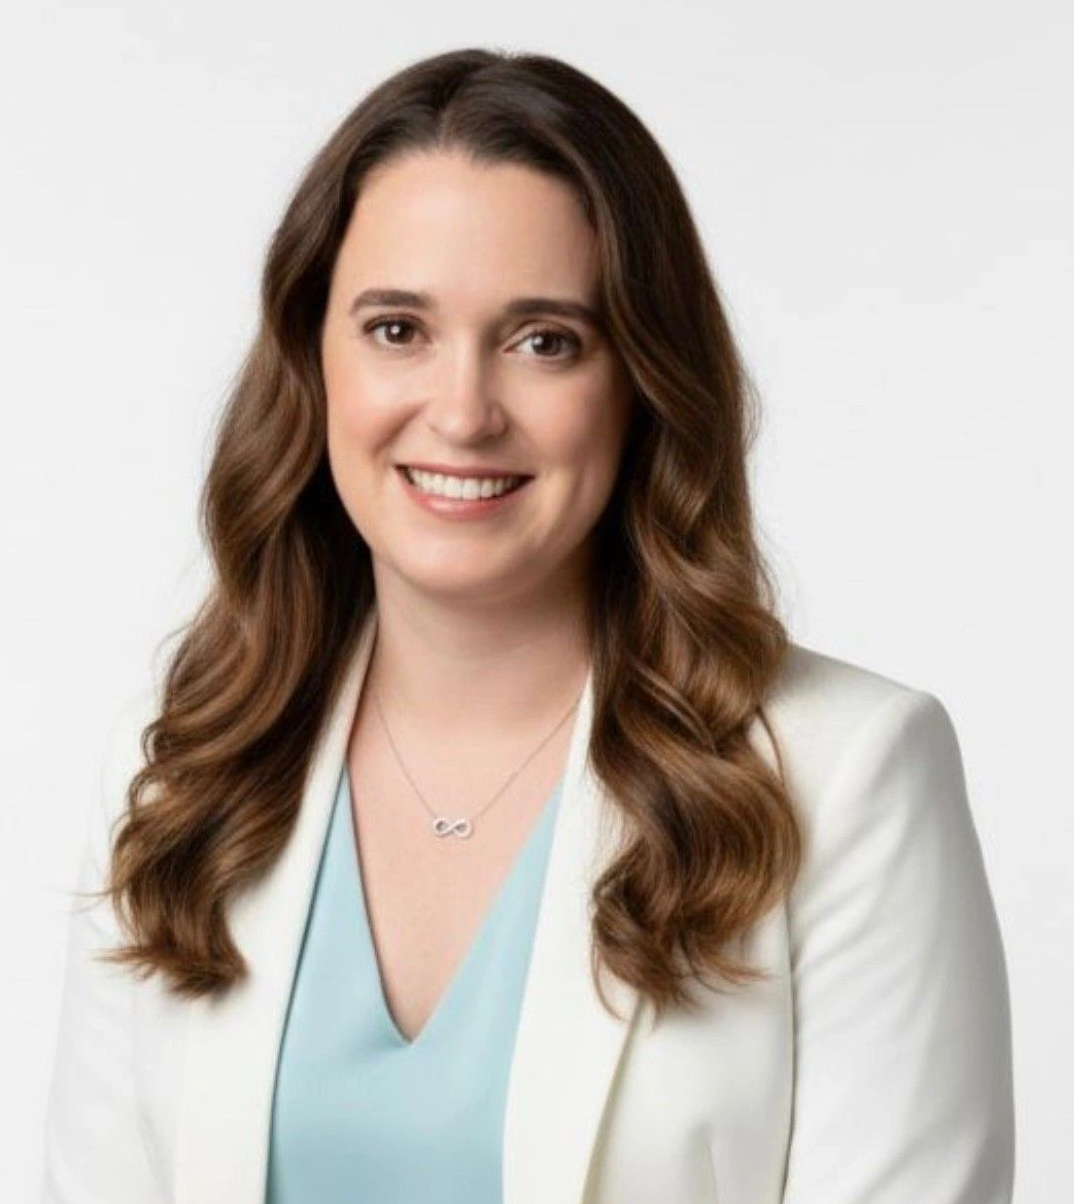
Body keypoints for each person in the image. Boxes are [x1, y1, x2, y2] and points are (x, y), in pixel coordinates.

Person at [41, 48, 1015, 1204]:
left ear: (643, 381)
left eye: (543, 339)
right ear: (314, 360)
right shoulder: (180, 765)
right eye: (398, 329)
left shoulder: (845, 775)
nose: (461, 412)